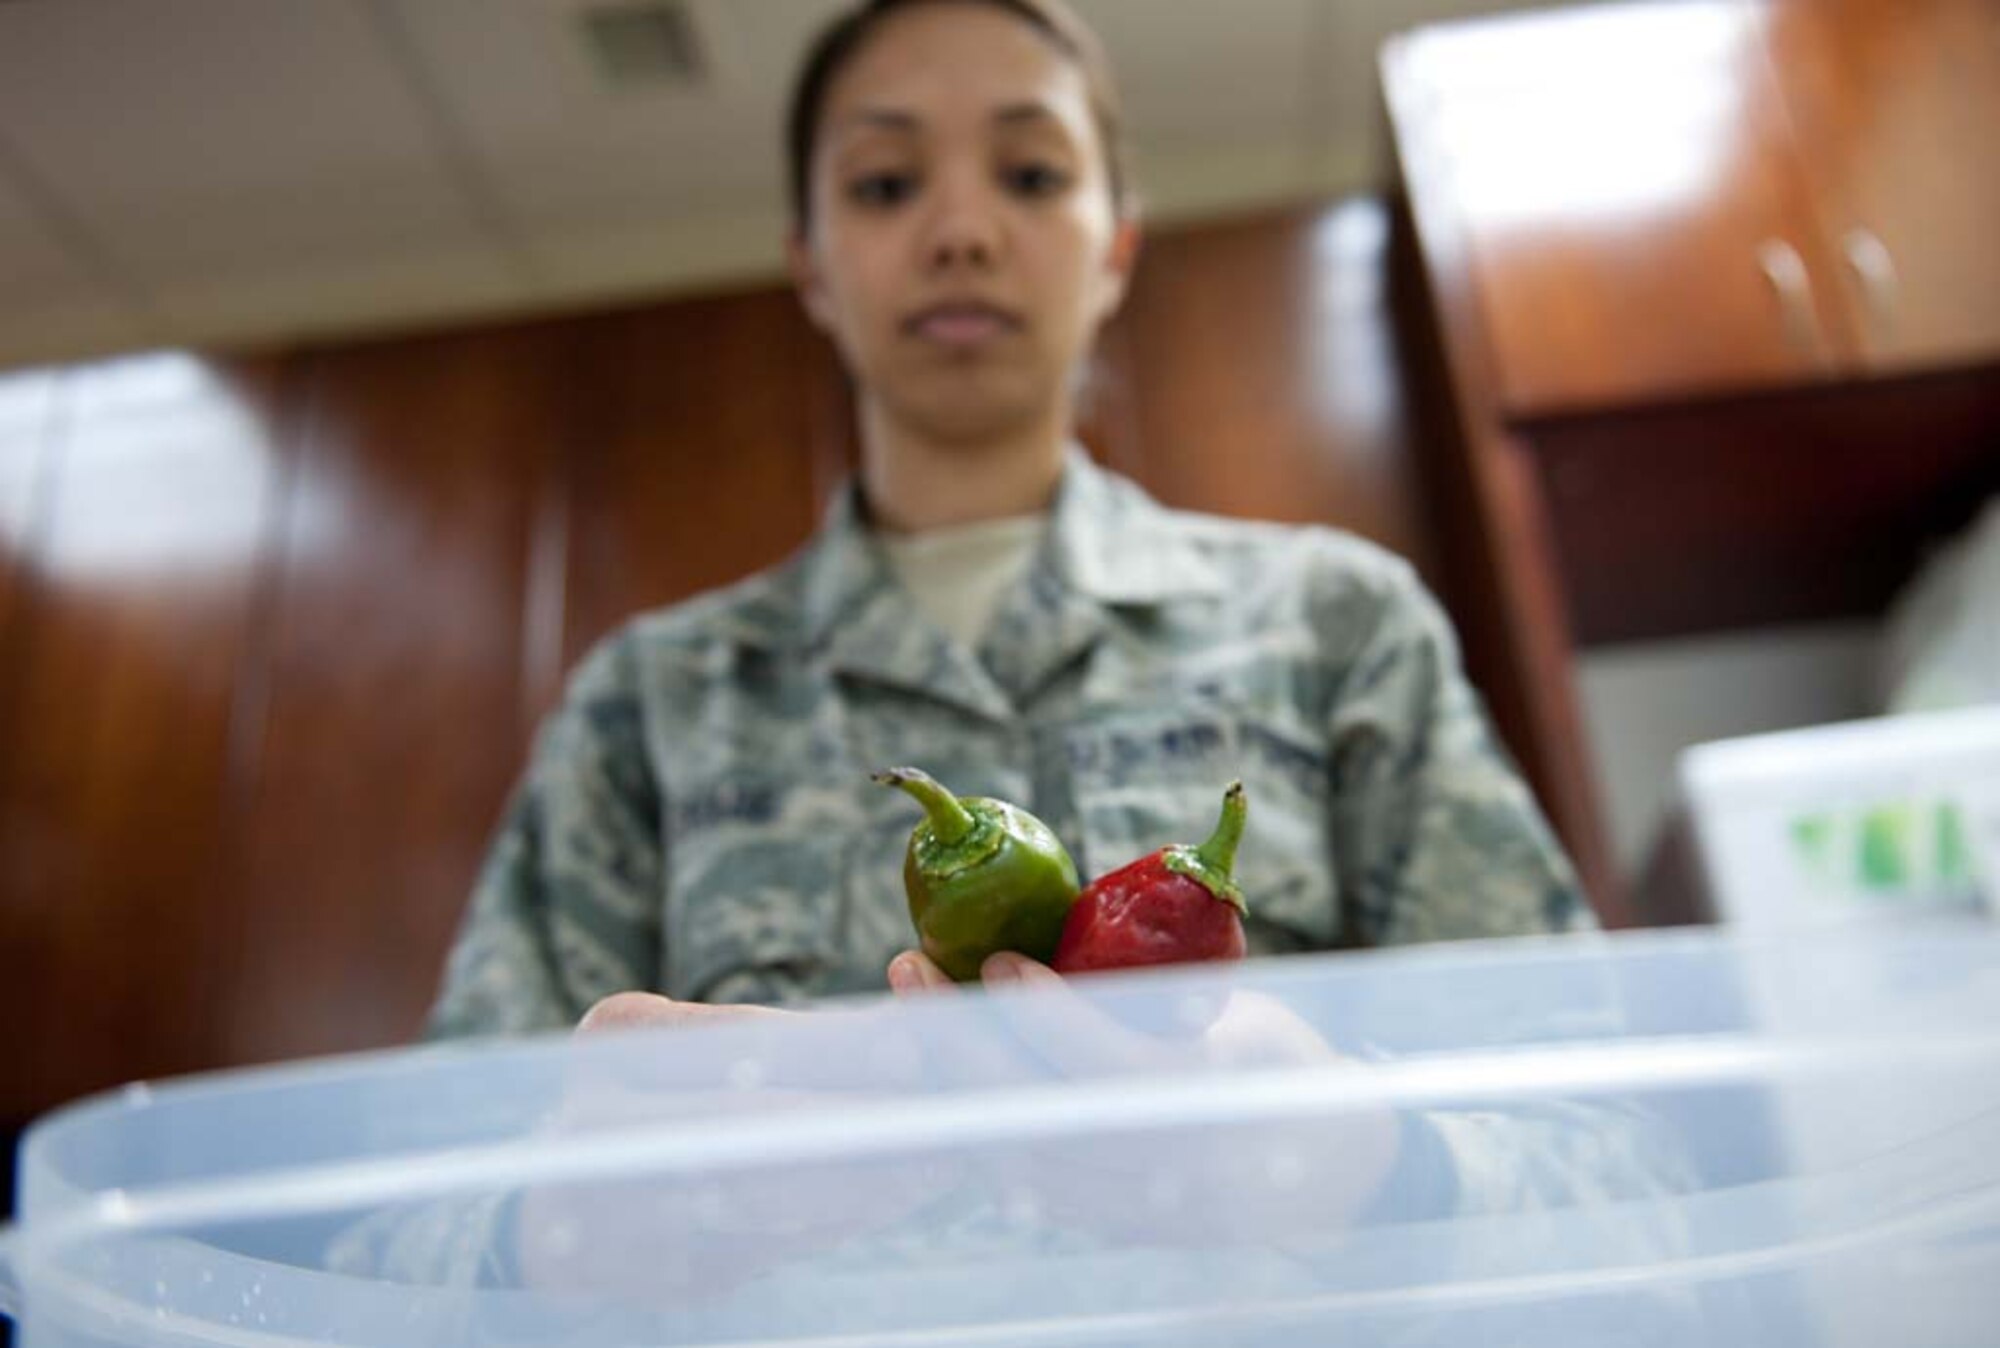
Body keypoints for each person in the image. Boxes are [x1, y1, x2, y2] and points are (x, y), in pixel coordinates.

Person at [334, 0, 1693, 1303]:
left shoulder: (1339, 629)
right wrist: (554, 1237)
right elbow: (383, 1241)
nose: (964, 230)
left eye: (1033, 174)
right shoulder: (651, 708)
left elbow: (1640, 1182)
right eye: (882, 186)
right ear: (810, 260)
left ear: (1115, 246)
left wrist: (1361, 1164)